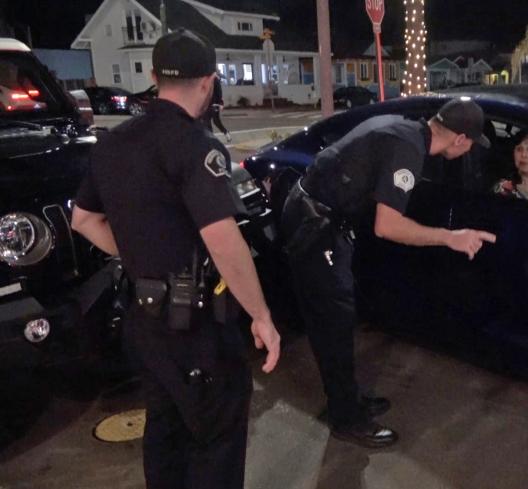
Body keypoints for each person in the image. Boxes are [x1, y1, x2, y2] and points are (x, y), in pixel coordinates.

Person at [70, 30, 281, 489]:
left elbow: (83, 219)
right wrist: (261, 315)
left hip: (143, 323)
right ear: (207, 82)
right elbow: (224, 241)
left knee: (164, 433)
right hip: (195, 327)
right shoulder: (196, 146)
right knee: (217, 438)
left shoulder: (112, 142)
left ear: (153, 76)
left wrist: (140, 251)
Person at [281, 97, 497, 448]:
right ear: (459, 139)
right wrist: (450, 238)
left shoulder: (404, 128)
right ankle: (345, 417)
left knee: (337, 316)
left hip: (318, 216)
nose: (472, 149)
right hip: (315, 225)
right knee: (333, 320)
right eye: (473, 142)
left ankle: (346, 397)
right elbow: (388, 226)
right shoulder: (408, 150)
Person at [202, 75, 231, 142]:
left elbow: (219, 92)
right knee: (206, 121)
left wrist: (220, 103)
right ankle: (210, 139)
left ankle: (226, 133)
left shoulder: (215, 79)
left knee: (216, 121)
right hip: (207, 104)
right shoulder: (204, 79)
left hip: (214, 104)